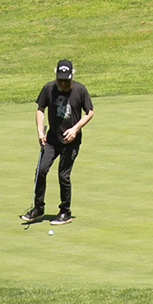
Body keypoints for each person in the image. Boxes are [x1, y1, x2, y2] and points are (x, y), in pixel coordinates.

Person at [23, 58, 93, 225]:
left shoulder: (80, 90)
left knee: (63, 175)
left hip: (71, 141)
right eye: (60, 79)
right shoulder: (49, 88)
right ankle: (38, 208)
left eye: (66, 80)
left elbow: (89, 112)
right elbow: (40, 109)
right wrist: (40, 131)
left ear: (72, 77)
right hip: (52, 140)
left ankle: (65, 212)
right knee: (41, 170)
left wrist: (75, 129)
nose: (62, 83)